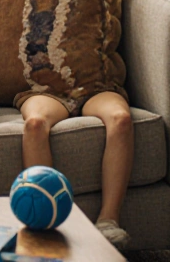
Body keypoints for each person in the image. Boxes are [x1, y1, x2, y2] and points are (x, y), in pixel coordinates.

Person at [19, 88, 133, 248]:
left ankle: (108, 221)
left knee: (121, 119)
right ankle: (45, 223)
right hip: (44, 90)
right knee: (35, 124)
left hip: (97, 86)